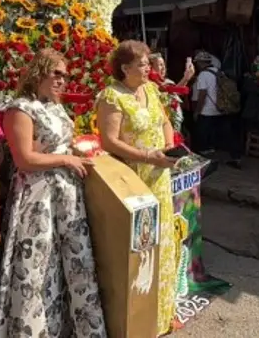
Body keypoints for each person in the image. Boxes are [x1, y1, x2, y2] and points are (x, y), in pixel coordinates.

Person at [0, 49, 106, 337]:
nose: (61, 80)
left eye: (65, 76)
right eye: (55, 73)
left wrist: (80, 150)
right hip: (37, 197)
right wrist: (66, 159)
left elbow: (60, 145)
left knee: (71, 262)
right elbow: (24, 160)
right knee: (36, 267)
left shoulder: (55, 107)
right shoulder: (20, 108)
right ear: (38, 71)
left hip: (67, 194)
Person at [95, 40, 177, 336]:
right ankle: (137, 321)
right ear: (125, 68)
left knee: (163, 241)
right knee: (140, 249)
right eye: (143, 64)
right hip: (133, 177)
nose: (149, 68)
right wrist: (146, 156)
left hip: (160, 175)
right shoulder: (112, 97)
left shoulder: (151, 90)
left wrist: (169, 146)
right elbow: (109, 141)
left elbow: (165, 122)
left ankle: (160, 317)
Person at [192, 51, 234, 163]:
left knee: (202, 132)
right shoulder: (219, 72)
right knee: (213, 132)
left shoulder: (203, 75)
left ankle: (204, 155)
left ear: (200, 63)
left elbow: (202, 94)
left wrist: (197, 111)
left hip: (207, 110)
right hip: (219, 108)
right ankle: (212, 150)